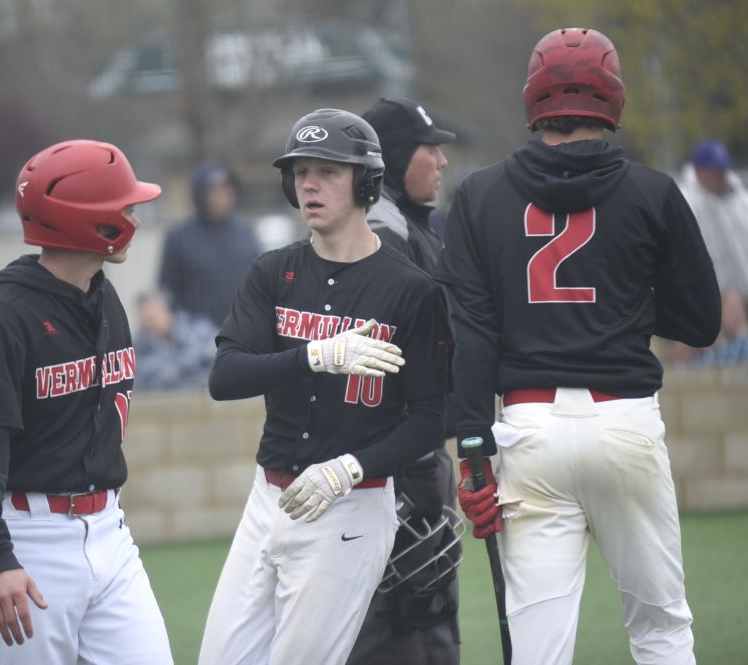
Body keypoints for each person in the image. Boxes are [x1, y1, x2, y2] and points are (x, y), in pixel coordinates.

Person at [434, 28, 720, 665]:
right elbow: (701, 324)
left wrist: (473, 447)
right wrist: (630, 298)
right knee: (662, 629)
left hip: (527, 430)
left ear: (535, 97)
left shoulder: (479, 195)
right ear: (612, 97)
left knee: (539, 648)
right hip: (625, 423)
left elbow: (471, 335)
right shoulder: (653, 193)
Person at [197, 108, 451, 665]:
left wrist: (352, 466)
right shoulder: (273, 271)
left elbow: (432, 418)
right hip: (267, 500)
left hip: (351, 508)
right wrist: (314, 355)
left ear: (366, 182)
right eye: (300, 172)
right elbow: (226, 376)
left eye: (328, 171)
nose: (308, 184)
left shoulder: (412, 290)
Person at [0, 139, 174, 664]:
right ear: (85, 218)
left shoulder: (102, 294)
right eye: (124, 203)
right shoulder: (2, 317)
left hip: (110, 533)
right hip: (29, 540)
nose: (133, 212)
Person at [346, 96, 461, 665]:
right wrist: (418, 469)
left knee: (420, 617)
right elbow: (394, 367)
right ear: (392, 157)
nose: (441, 160)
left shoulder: (410, 225)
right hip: (394, 466)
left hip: (403, 458)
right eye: (429, 147)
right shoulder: (385, 233)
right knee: (401, 626)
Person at [158, 161, 261, 326]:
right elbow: (165, 291)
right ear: (201, 194)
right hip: (196, 341)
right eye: (217, 189)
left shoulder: (246, 234)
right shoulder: (179, 238)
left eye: (228, 187)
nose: (226, 193)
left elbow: (260, 284)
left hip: (243, 332)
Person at [678, 139, 748, 299]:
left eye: (722, 168)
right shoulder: (686, 204)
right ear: (697, 170)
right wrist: (721, 295)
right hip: (714, 299)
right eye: (713, 170)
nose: (720, 175)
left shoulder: (741, 199)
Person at [133, 290, 218, 391]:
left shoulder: (200, 330)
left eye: (152, 319)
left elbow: (219, 360)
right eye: (144, 322)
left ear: (167, 313)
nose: (148, 326)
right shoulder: (141, 345)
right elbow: (142, 379)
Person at [688, 288, 748, 365]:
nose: (737, 313)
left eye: (739, 309)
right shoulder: (705, 343)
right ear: (720, 310)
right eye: (732, 308)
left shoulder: (744, 346)